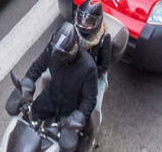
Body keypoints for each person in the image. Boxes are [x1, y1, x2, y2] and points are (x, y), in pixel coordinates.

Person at [9, 24, 97, 152]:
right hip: (50, 98)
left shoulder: (88, 67)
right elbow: (37, 66)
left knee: (70, 147)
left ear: (72, 51)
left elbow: (89, 100)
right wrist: (27, 83)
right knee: (26, 122)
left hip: (70, 110)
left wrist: (78, 116)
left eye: (60, 56)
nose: (56, 58)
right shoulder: (52, 49)